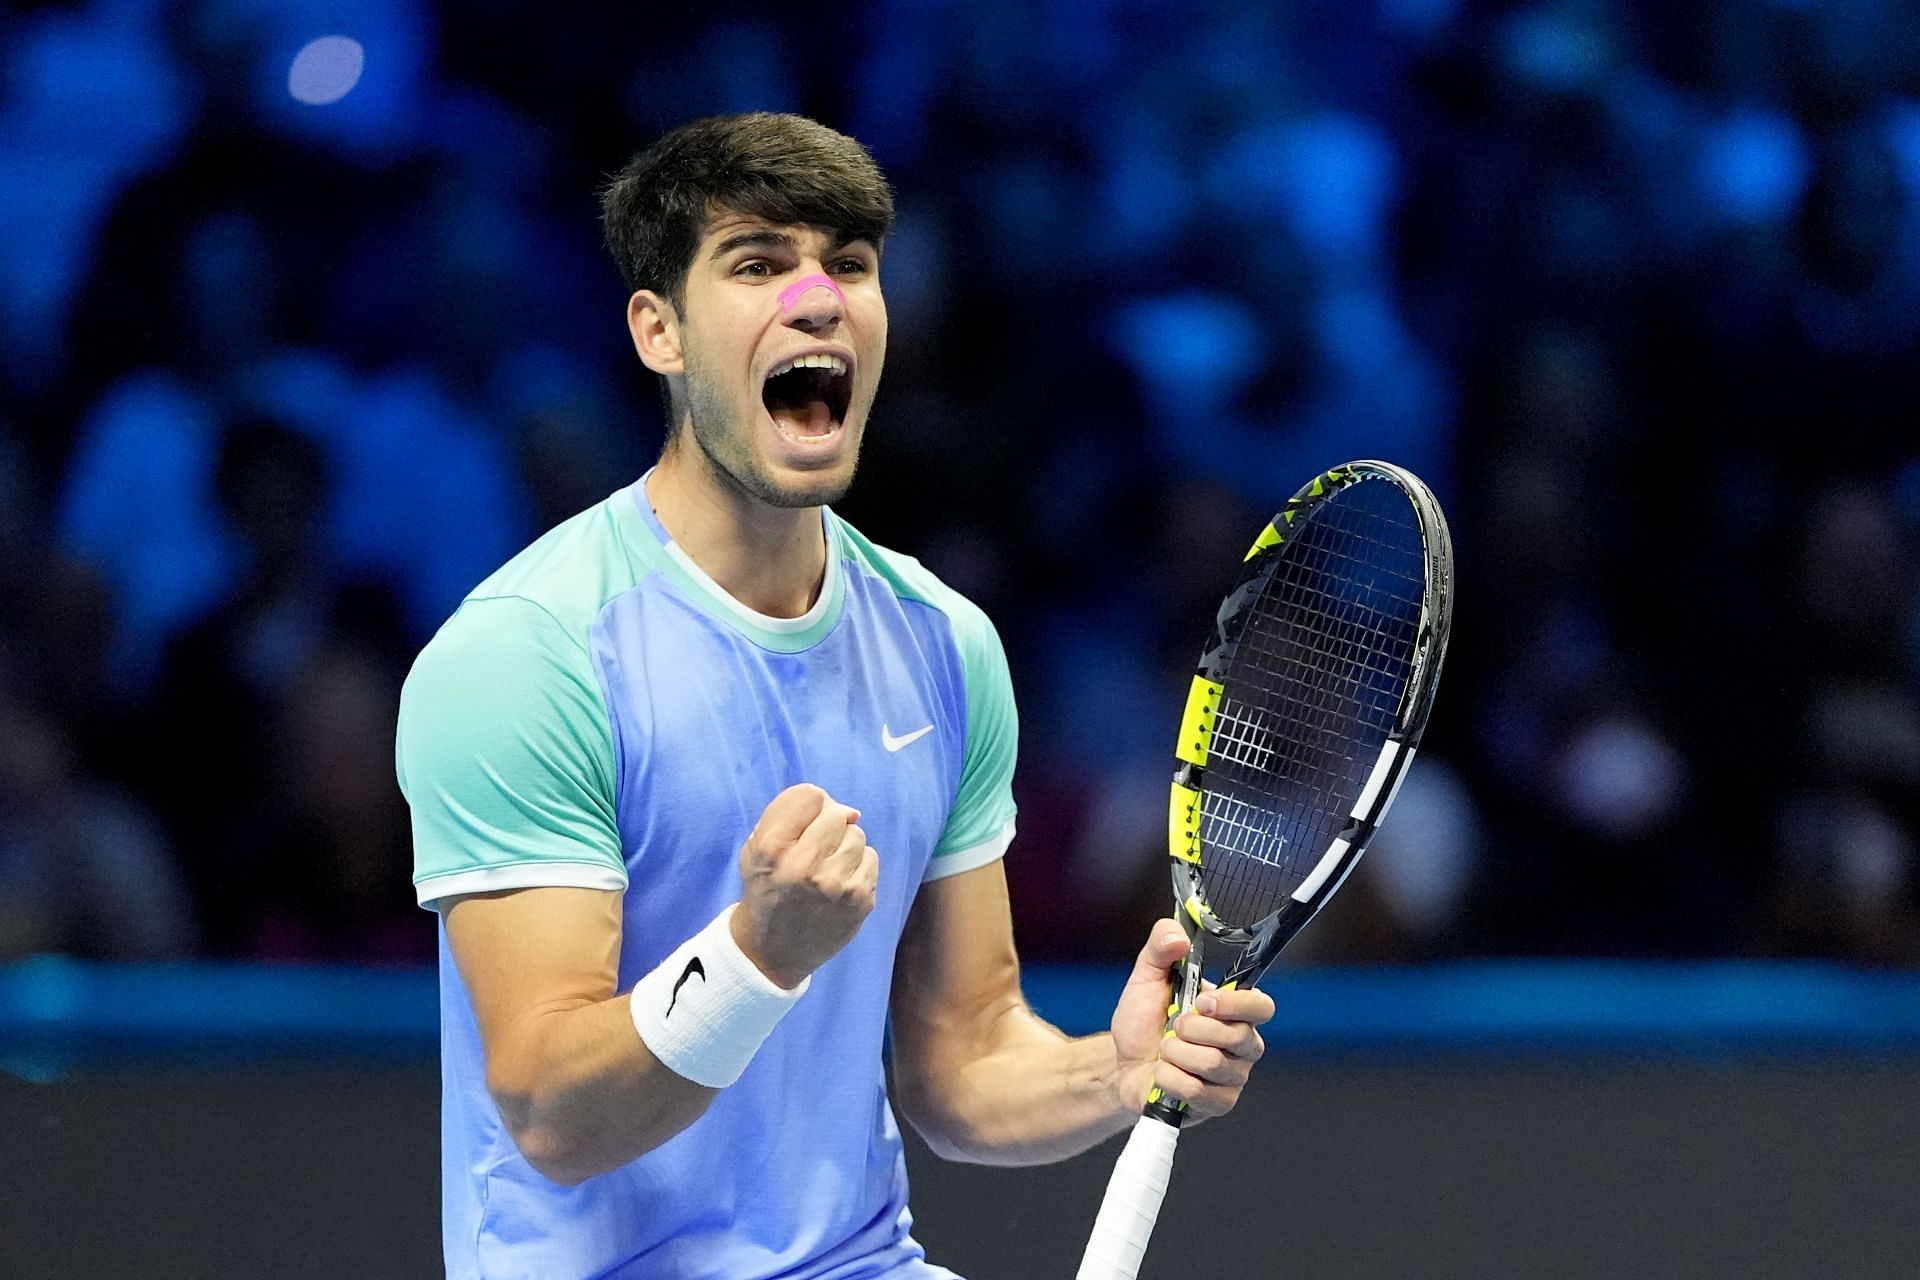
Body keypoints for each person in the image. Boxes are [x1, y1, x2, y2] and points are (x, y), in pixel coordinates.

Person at [396, 112, 1274, 1280]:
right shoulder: (527, 655)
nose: (818, 300)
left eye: (850, 265)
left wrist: (1112, 1075)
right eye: (757, 264)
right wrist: (757, 952)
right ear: (657, 330)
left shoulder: (944, 644)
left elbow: (961, 1061)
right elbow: (557, 1115)